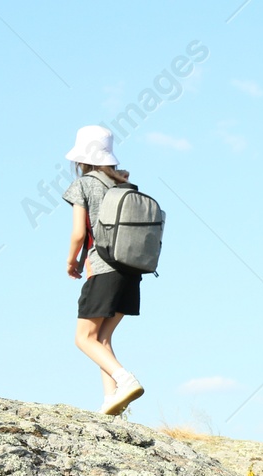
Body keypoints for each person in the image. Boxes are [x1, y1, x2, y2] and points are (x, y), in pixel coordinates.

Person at [62, 125, 145, 416]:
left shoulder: (83, 184)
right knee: (102, 339)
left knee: (83, 338)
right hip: (131, 270)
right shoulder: (123, 184)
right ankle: (112, 402)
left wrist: (72, 261)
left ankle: (125, 380)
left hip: (103, 267)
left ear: (81, 158)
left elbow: (77, 233)